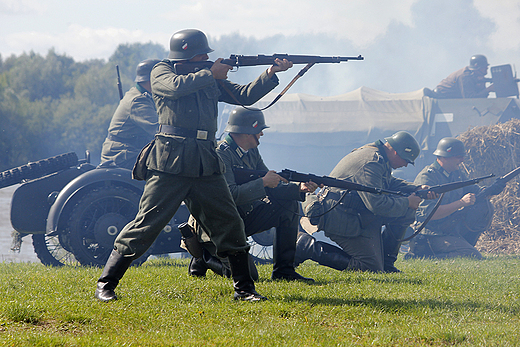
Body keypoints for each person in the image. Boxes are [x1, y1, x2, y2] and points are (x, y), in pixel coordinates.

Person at [95, 28, 293, 302]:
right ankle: (106, 283)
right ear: (185, 55)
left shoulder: (208, 77)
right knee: (147, 223)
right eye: (201, 55)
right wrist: (210, 73)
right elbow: (174, 88)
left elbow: (245, 96)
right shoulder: (162, 71)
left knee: (229, 222)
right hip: (170, 162)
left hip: (205, 162)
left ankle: (244, 289)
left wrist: (271, 73)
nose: (206, 59)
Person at [188, 107, 317, 282]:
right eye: (259, 131)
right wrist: (263, 183)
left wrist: (298, 188)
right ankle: (204, 257)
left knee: (289, 203)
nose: (261, 134)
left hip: (240, 219)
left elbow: (271, 184)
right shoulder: (220, 155)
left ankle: (284, 271)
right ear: (248, 132)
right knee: (250, 277)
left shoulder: (251, 150)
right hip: (218, 226)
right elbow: (230, 196)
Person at [295, 131, 430, 273]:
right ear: (396, 152)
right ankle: (306, 247)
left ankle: (386, 264)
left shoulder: (378, 157)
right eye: (406, 161)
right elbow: (377, 205)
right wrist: (407, 202)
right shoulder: (371, 162)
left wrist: (416, 188)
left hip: (355, 213)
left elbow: (387, 182)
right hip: (340, 216)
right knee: (369, 268)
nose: (406, 165)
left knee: (405, 213)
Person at [405, 137, 494, 260]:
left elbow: (476, 191)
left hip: (449, 229)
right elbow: (430, 214)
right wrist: (461, 202)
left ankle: (463, 245)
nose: (462, 160)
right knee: (472, 255)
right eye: (458, 157)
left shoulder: (455, 173)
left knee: (485, 207)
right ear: (444, 157)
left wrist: (492, 190)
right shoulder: (428, 178)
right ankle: (424, 256)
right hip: (430, 235)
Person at [100, 59, 161, 169]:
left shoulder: (143, 96)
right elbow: (159, 130)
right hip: (122, 156)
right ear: (153, 79)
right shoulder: (138, 101)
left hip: (129, 152)